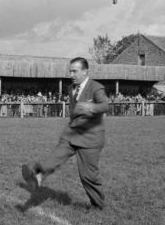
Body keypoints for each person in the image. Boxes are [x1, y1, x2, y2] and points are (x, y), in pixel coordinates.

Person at [21, 57, 109, 210]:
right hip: (72, 133)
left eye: (74, 71)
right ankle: (38, 176)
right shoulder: (71, 88)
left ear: (85, 71)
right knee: (55, 156)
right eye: (70, 71)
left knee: (88, 176)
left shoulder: (96, 87)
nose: (71, 75)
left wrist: (90, 107)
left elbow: (105, 105)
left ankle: (98, 205)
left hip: (90, 137)